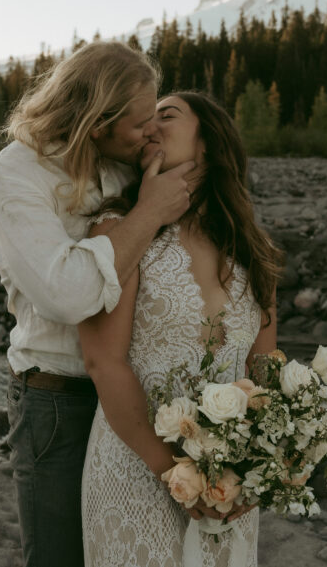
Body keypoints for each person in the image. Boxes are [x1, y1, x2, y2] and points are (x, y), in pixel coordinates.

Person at [0, 41, 196, 567]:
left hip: (135, 395)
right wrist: (149, 212)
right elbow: (70, 294)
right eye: (141, 121)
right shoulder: (15, 177)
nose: (151, 132)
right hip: (60, 400)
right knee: (60, 558)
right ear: (96, 123)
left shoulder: (123, 163)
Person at [79, 91, 283, 567]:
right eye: (144, 119)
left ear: (209, 143)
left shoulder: (253, 248)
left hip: (227, 483)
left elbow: (264, 364)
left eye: (166, 115)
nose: (150, 125)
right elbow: (102, 361)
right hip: (135, 467)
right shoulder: (117, 231)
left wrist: (263, 465)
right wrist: (178, 475)